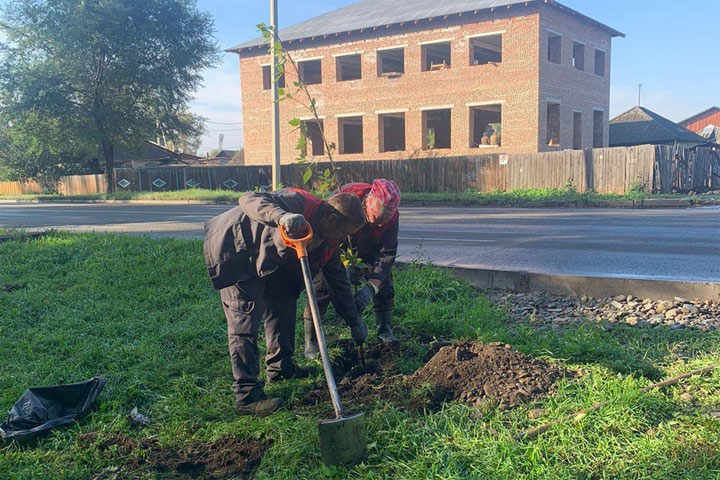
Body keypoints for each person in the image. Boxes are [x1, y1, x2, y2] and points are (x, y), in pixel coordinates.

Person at [203, 188, 368, 416]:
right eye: (344, 233)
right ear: (332, 219)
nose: (343, 239)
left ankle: (281, 368)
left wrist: (354, 322)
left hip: (269, 260)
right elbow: (248, 199)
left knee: (284, 302)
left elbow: (338, 284)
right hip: (237, 247)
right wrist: (281, 216)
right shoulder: (300, 203)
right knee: (245, 318)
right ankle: (247, 396)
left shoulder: (328, 244)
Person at [304, 179, 401, 358]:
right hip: (337, 246)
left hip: (370, 248)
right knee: (321, 287)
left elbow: (387, 253)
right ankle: (312, 341)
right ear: (366, 205)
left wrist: (370, 288)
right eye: (375, 220)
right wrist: (344, 264)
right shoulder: (346, 198)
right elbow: (327, 229)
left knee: (385, 284)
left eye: (383, 222)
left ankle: (384, 330)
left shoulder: (391, 218)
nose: (379, 225)